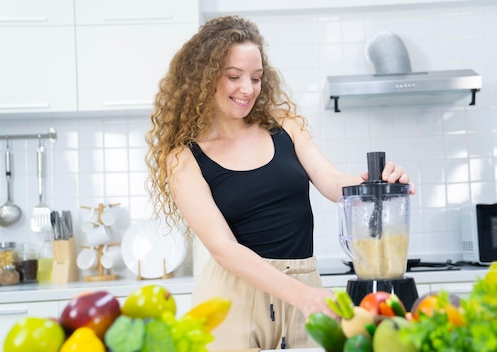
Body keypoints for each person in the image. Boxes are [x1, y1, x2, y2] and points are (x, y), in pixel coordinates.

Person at [145, 15, 415, 350]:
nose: (248, 89)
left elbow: (332, 182)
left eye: (256, 78)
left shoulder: (283, 126)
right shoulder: (184, 158)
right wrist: (303, 296)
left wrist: (377, 183)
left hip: (305, 286)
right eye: (234, 76)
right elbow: (224, 249)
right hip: (233, 295)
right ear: (203, 77)